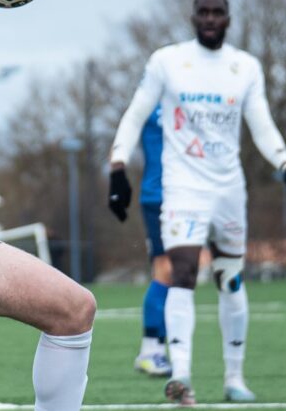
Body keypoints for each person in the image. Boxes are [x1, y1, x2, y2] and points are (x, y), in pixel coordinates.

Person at [108, 0, 286, 406]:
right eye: (204, 12)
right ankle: (180, 377)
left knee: (229, 278)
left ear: (229, 18)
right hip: (183, 188)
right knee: (181, 271)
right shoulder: (168, 61)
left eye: (218, 13)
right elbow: (135, 113)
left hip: (228, 189)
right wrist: (118, 166)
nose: (211, 19)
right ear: (193, 18)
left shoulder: (245, 67)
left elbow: (262, 124)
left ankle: (235, 378)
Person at [109, 107, 172, 377]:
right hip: (163, 196)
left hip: (177, 195)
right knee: (167, 271)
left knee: (176, 273)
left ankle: (157, 348)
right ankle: (151, 350)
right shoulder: (153, 102)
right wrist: (117, 174)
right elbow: (128, 127)